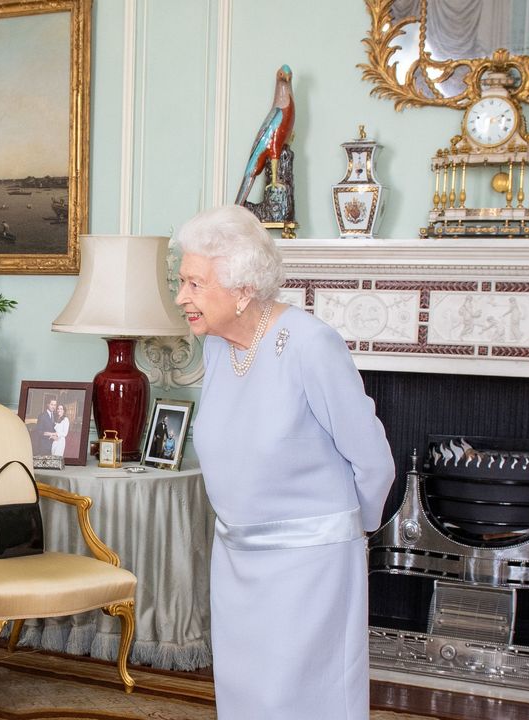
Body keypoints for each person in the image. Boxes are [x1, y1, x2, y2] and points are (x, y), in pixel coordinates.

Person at [173, 204, 394, 720]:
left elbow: (373, 458)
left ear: (243, 288)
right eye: (182, 281)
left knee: (302, 700)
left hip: (309, 568)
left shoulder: (311, 346)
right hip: (238, 560)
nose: (182, 296)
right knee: (246, 698)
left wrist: (345, 536)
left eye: (195, 284)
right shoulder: (216, 349)